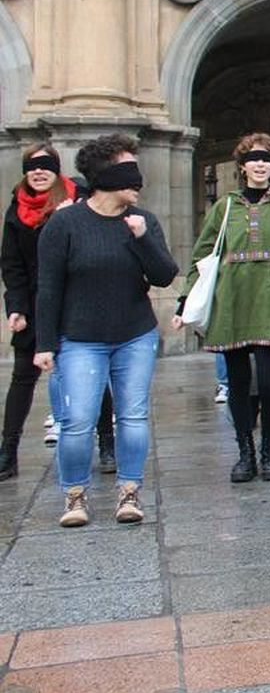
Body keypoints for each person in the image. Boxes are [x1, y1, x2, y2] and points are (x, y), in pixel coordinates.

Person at [34, 134, 177, 527]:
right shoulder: (64, 224)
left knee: (132, 416)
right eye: (128, 170)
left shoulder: (143, 221)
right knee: (77, 419)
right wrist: (44, 343)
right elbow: (48, 289)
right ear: (105, 176)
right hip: (80, 338)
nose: (137, 180)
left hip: (135, 335)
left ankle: (129, 492)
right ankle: (75, 495)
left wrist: (142, 239)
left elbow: (165, 275)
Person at [172, 133, 270, 484]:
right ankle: (245, 452)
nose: (260, 163)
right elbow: (203, 253)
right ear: (243, 165)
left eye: (267, 158)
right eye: (253, 158)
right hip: (233, 301)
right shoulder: (225, 206)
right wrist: (185, 298)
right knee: (237, 382)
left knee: (268, 383)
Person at [2, 145, 103, 481]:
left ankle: (108, 443)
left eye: (45, 167)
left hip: (77, 300)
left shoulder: (78, 199)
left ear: (56, 170)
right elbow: (13, 264)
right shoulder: (17, 208)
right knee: (22, 375)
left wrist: (64, 218)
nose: (39, 172)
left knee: (91, 374)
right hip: (34, 303)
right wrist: (15, 306)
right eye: (32, 167)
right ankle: (8, 452)